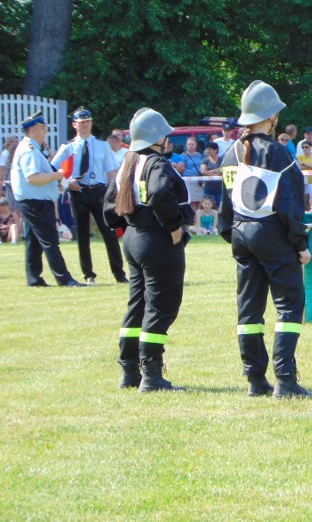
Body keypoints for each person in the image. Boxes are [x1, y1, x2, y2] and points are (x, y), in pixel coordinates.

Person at [218, 80, 312, 397]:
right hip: (272, 235)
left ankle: (255, 381)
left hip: (240, 236)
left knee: (249, 312)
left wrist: (233, 236)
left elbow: (225, 207)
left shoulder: (230, 154)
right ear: (271, 116)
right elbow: (290, 206)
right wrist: (301, 245)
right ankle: (286, 380)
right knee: (290, 306)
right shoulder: (279, 153)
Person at [103, 108, 193, 391]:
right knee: (161, 306)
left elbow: (108, 207)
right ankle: (151, 374)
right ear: (157, 137)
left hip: (133, 238)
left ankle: (130, 371)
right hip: (157, 240)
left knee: (137, 305)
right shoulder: (157, 164)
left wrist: (127, 225)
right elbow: (162, 194)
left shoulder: (128, 163)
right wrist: (174, 227)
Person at [50, 107, 127, 285]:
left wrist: (113, 195)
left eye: (88, 121)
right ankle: (88, 274)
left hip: (99, 192)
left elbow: (110, 172)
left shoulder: (102, 145)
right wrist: (67, 182)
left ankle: (119, 273)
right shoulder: (68, 146)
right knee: (83, 235)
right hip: (79, 192)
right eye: (82, 122)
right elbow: (53, 168)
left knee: (110, 232)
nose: (85, 125)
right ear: (74, 125)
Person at [10, 111, 84, 288]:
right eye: (43, 128)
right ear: (34, 129)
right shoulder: (30, 150)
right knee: (50, 241)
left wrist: (58, 181)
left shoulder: (32, 148)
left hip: (33, 201)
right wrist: (57, 175)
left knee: (34, 242)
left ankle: (34, 279)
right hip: (36, 203)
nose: (45, 132)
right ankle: (64, 279)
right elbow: (33, 178)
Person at [176, 136, 204, 210]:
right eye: (189, 144)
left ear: (196, 145)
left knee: (200, 200)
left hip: (199, 180)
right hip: (189, 181)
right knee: (191, 201)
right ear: (186, 145)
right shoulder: (182, 156)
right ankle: (193, 218)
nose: (191, 146)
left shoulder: (199, 155)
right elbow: (182, 168)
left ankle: (198, 216)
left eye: (192, 144)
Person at [200, 142, 223, 207]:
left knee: (220, 205)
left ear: (215, 150)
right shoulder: (205, 160)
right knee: (207, 206)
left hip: (219, 188)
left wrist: (210, 171)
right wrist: (215, 175)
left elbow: (222, 169)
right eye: (207, 149)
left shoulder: (221, 160)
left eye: (209, 149)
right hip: (208, 187)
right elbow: (203, 171)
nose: (208, 151)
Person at [297, 141, 312, 206]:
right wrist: (308, 165)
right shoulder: (299, 156)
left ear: (310, 147)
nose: (304, 149)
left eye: (306, 147)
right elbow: (299, 167)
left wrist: (303, 164)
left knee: (311, 197)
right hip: (302, 180)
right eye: (303, 147)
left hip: (311, 180)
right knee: (301, 196)